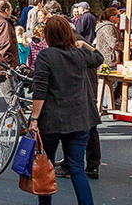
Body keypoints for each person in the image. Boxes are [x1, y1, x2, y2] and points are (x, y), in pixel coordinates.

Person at [28, 16, 103, 205]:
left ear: (48, 35)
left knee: (46, 167)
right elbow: (100, 57)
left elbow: (40, 90)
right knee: (77, 168)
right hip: (79, 119)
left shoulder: (46, 56)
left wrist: (34, 118)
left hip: (52, 120)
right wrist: (85, 45)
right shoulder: (80, 54)